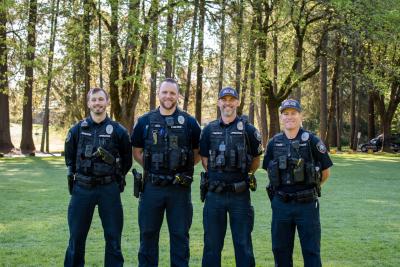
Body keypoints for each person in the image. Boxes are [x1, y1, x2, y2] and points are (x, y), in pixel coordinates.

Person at [131, 78, 201, 267]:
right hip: (152, 188)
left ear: (178, 95)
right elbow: (136, 151)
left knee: (179, 236)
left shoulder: (189, 122)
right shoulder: (144, 121)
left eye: (172, 93)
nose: (168, 96)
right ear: (158, 94)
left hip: (179, 189)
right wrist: (153, 166)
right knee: (147, 235)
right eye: (165, 92)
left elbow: (197, 153)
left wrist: (181, 167)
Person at [64, 87, 132, 267]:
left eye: (101, 99)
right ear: (88, 103)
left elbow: (127, 161)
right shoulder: (77, 129)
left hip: (108, 189)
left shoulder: (119, 131)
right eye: (93, 100)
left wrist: (114, 177)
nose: (97, 103)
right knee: (76, 238)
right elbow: (69, 157)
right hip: (82, 189)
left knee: (113, 238)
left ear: (107, 102)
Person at [263, 99, 333, 267]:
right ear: (281, 117)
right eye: (285, 114)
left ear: (300, 115)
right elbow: (269, 170)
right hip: (281, 205)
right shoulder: (274, 142)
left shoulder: (312, 141)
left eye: (293, 113)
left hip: (307, 205)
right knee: (280, 251)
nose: (289, 117)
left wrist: (309, 190)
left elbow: (325, 173)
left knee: (311, 251)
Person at [199, 87, 263, 267]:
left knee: (243, 244)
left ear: (237, 103)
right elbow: (204, 159)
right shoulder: (209, 129)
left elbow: (256, 160)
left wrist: (243, 177)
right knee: (211, 245)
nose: (228, 103)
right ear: (219, 102)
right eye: (224, 99)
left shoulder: (249, 130)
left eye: (231, 99)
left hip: (240, 196)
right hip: (214, 195)